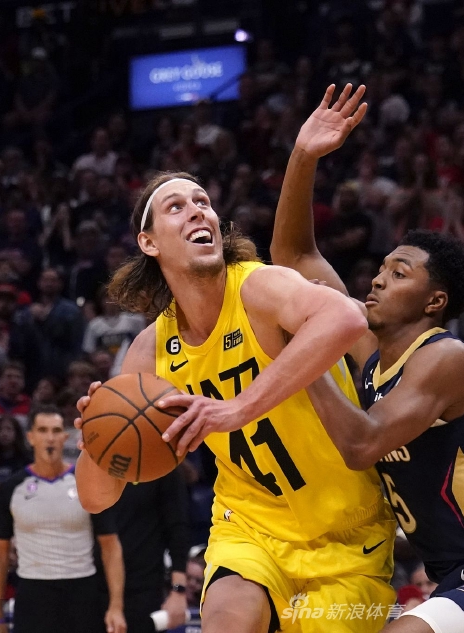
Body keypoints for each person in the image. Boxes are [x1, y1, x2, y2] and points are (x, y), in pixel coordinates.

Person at [73, 85, 396, 633]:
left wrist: (237, 409)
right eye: (176, 206)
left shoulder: (259, 288)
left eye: (202, 201)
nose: (197, 210)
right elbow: (95, 497)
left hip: (347, 532)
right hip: (248, 526)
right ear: (149, 243)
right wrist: (98, 440)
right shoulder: (151, 349)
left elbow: (346, 318)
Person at [270, 86, 464, 633]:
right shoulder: (369, 355)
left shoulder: (446, 357)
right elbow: (294, 256)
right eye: (382, 268)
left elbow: (361, 445)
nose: (378, 279)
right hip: (453, 580)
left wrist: (298, 358)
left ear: (434, 302)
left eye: (400, 272)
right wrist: (303, 156)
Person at [0, 405, 125, 633]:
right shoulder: (12, 488)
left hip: (82, 593)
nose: (50, 438)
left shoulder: (87, 484)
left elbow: (110, 546)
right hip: (33, 594)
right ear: (30, 437)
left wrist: (116, 606)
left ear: (65, 437)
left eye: (56, 430)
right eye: (42, 430)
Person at [99, 469, 190, 633]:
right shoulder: (95, 462)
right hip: (93, 586)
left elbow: (177, 527)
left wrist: (178, 590)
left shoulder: (161, 461)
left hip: (144, 587)